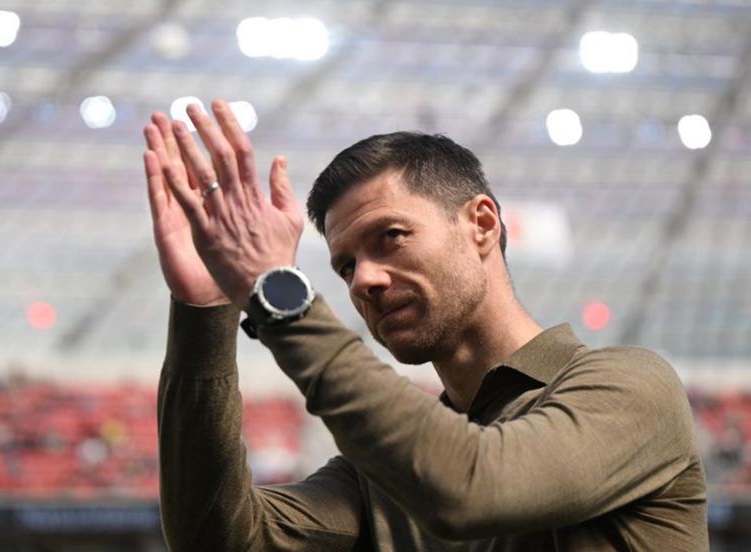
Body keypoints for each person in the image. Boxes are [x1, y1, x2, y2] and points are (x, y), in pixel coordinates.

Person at [143, 99, 707, 551]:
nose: (363, 280)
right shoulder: (380, 474)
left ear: (481, 224)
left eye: (390, 237)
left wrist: (279, 296)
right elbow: (214, 539)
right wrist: (206, 313)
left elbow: (472, 488)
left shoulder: (632, 387)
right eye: (344, 266)